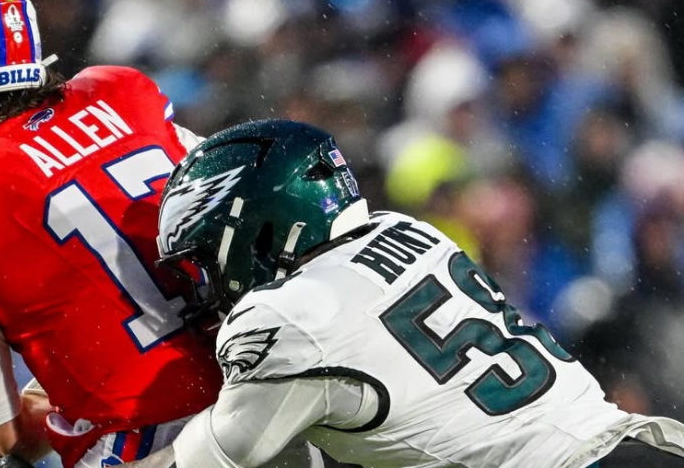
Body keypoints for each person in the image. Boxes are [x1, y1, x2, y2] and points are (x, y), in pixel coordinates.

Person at [0, 0, 320, 468]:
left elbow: (4, 436)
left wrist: (69, 384)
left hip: (148, 443)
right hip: (276, 396)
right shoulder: (120, 91)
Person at [120, 119, 684, 468]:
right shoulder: (406, 230)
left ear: (252, 230)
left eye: (202, 261)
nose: (203, 282)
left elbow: (202, 462)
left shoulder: (286, 317)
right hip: (636, 447)